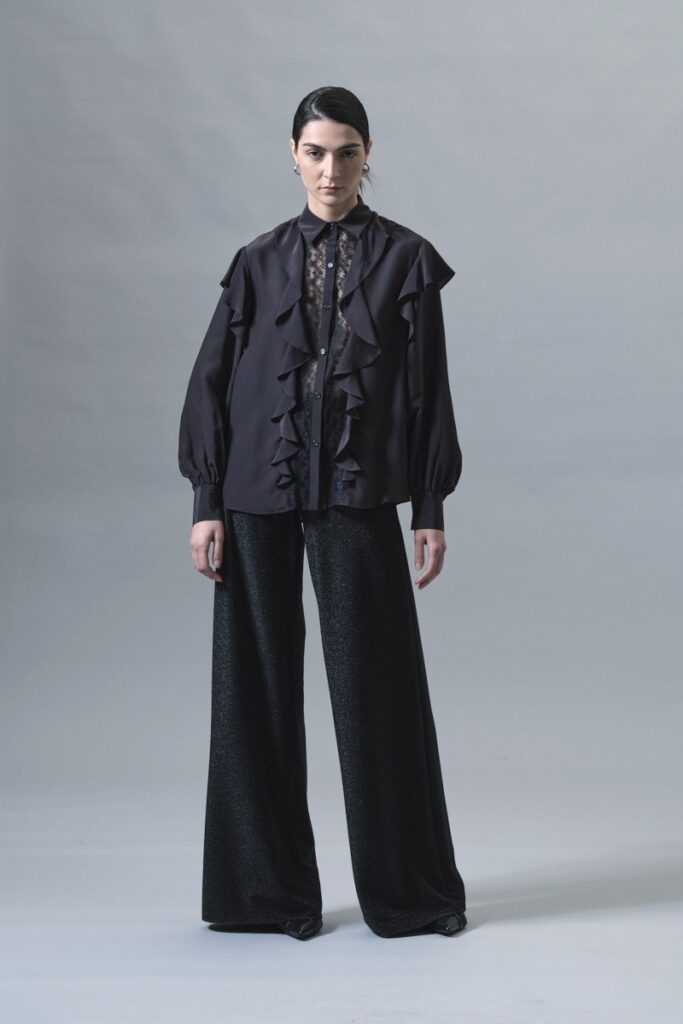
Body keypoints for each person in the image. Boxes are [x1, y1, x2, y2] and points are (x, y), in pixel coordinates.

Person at [177, 86, 467, 940]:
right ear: (292, 156)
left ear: (367, 154)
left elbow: (428, 390)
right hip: (253, 495)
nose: (330, 170)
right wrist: (206, 501)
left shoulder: (407, 260)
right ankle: (263, 897)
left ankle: (410, 895)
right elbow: (211, 381)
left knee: (379, 690)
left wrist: (429, 505)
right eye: (314, 152)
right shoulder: (256, 260)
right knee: (253, 693)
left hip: (356, 494)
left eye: (346, 152)